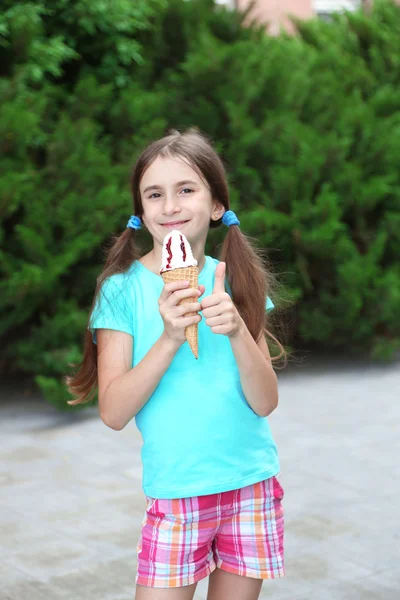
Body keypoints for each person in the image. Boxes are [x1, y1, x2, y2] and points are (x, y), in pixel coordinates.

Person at [67, 129, 286, 600]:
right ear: (142, 214)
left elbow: (265, 402)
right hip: (176, 492)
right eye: (155, 194)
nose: (170, 205)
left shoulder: (238, 282)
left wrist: (237, 332)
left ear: (215, 204)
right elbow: (114, 412)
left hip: (251, 484)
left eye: (186, 189)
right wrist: (168, 338)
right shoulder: (122, 291)